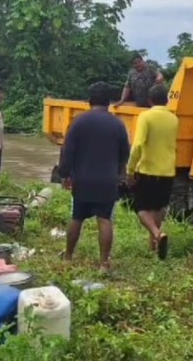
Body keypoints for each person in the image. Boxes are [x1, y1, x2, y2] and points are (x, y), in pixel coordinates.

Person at [58, 81, 130, 271]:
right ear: (108, 102)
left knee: (77, 218)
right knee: (104, 219)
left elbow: (68, 152)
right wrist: (118, 172)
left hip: (82, 179)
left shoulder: (79, 122)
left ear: (89, 100)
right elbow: (125, 154)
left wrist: (64, 174)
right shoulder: (118, 124)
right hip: (107, 181)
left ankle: (67, 257)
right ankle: (104, 263)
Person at [127, 84, 178, 260]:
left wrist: (130, 169)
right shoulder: (173, 119)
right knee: (157, 208)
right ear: (166, 100)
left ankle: (157, 234)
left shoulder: (146, 117)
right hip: (168, 171)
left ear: (150, 100)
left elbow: (138, 145)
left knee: (140, 208)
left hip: (148, 170)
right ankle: (153, 247)